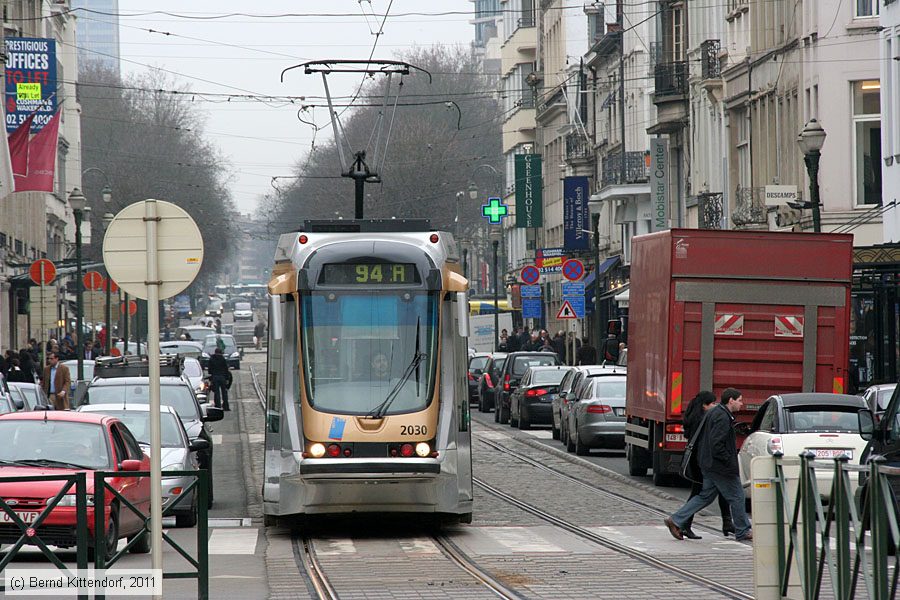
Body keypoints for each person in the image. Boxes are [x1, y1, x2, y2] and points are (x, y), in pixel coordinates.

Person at [665, 388, 752, 542]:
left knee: (705, 496)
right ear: (730, 400)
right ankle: (743, 530)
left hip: (708, 463)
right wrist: (729, 462)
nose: (741, 404)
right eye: (739, 400)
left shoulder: (715, 412)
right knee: (737, 496)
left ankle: (676, 519)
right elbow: (717, 444)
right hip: (719, 466)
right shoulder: (722, 417)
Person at [677, 391, 734, 539]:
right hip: (702, 460)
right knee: (699, 493)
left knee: (717, 490)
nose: (715, 406)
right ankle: (682, 523)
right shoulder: (704, 419)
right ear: (704, 405)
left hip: (699, 459)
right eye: (713, 403)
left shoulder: (696, 417)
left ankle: (726, 523)